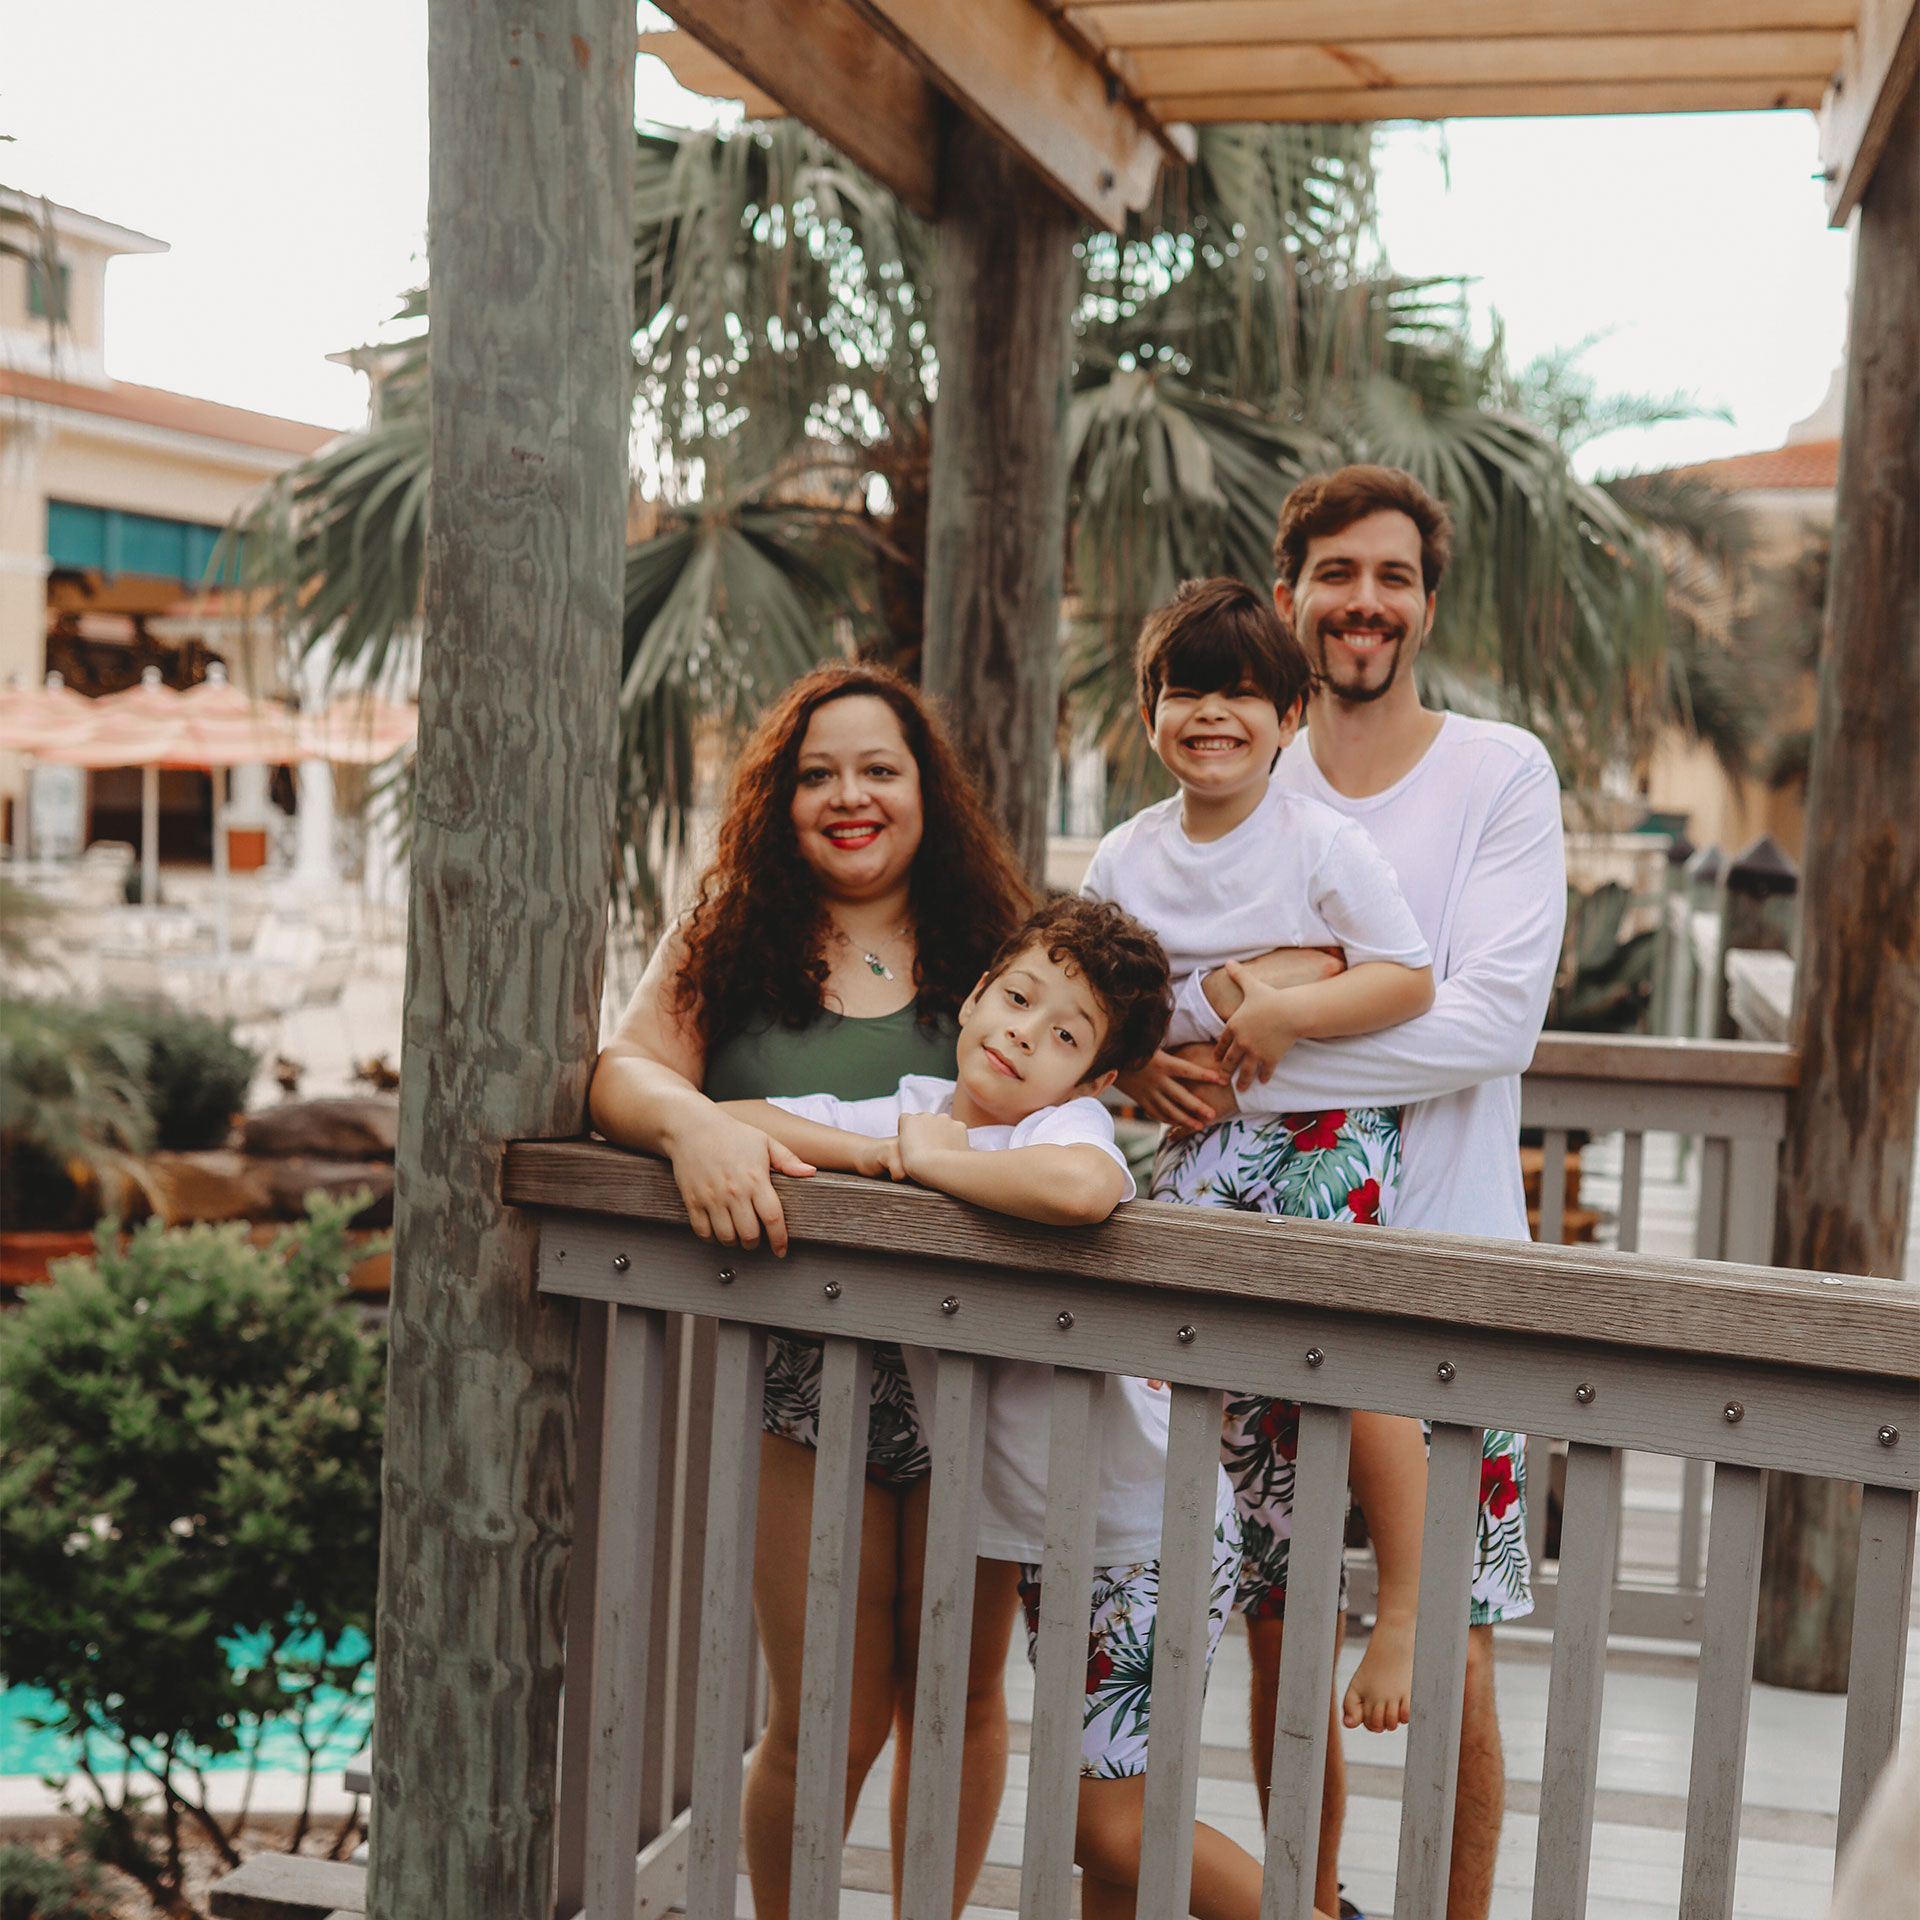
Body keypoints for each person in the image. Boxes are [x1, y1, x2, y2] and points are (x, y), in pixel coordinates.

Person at [1128, 467, 1567, 1920]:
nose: (1364, 600)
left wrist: (1270, 1027)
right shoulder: (1245, 762)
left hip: (1450, 1261)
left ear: (1426, 602)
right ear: (1291, 591)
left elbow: (1490, 1023)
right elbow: (1136, 997)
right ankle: (1307, 1909)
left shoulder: (1499, 772)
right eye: (1336, 573)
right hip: (1260, 1264)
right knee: (1279, 1626)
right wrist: (1159, 1068)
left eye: (1393, 575)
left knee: (1452, 1640)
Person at [725, 894, 1277, 1920]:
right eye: (1016, 997)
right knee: (1112, 1830)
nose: (1026, 1031)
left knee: (1107, 1825)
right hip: (1059, 1540)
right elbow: (739, 1122)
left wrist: (938, 1161)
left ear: (1099, 1077)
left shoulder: (1063, 1124)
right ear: (976, 996)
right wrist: (881, 1154)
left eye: (1065, 1032)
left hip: (1143, 1533)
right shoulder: (915, 1104)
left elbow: (1080, 1191)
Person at [587, 663, 1031, 1920]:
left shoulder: (993, 943)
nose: (850, 796)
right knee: (826, 1704)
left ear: (924, 791)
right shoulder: (733, 927)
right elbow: (618, 1071)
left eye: (879, 769)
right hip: (805, 1366)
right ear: (779, 798)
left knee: (959, 1694)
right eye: (816, 773)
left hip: (983, 1358)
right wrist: (693, 1128)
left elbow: (1073, 1101)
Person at [1080, 576, 1436, 1911]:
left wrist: (1290, 1012)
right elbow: (1094, 1004)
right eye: (1186, 690)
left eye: (1241, 692)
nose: (1210, 715)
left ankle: (1398, 1601)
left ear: (1291, 715)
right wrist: (1135, 1078)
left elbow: (1406, 977)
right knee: (1183, 1376)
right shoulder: (1126, 857)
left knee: (1339, 1356)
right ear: (1152, 712)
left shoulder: (1320, 843)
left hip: (1323, 1132)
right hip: (1199, 1154)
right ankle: (1201, 1585)